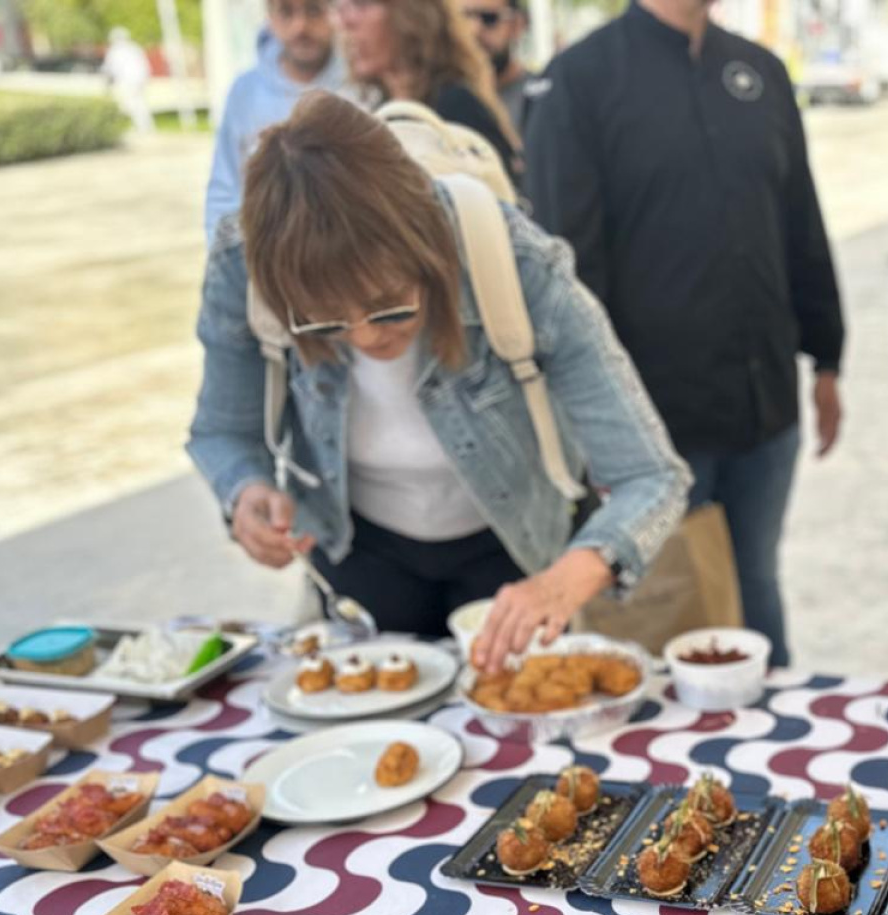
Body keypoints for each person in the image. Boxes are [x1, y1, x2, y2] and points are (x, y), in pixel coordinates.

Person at [187, 92, 690, 671]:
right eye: (325, 323)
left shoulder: (514, 258)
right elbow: (222, 432)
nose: (364, 338)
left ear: (429, 251)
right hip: (356, 549)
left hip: (513, 546)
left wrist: (570, 578)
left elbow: (654, 478)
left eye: (389, 308)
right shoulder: (243, 264)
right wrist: (246, 492)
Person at [524, 0, 845, 670]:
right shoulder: (580, 80)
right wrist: (594, 437)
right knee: (664, 618)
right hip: (655, 431)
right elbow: (567, 280)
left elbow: (800, 223)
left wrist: (827, 358)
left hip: (764, 407)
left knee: (754, 586)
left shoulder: (758, 71)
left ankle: (774, 726)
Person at [204, 0, 347, 244]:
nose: (301, 26)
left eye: (314, 10)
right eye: (286, 11)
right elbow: (225, 190)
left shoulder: (362, 87)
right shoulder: (245, 92)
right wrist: (227, 256)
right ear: (269, 17)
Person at [334, 0, 522, 180]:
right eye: (341, 6)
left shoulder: (455, 107)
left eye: (362, 3)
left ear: (411, 13)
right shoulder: (378, 111)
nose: (345, 22)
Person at [458, 0, 533, 137]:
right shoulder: (437, 97)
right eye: (464, 17)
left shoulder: (540, 98)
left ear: (517, 25)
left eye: (489, 18)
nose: (474, 29)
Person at [102, 28, 153, 133]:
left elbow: (111, 68)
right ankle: (144, 126)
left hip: (128, 80)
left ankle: (141, 127)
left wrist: (108, 82)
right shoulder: (134, 47)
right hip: (140, 79)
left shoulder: (115, 50)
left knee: (131, 103)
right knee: (139, 102)